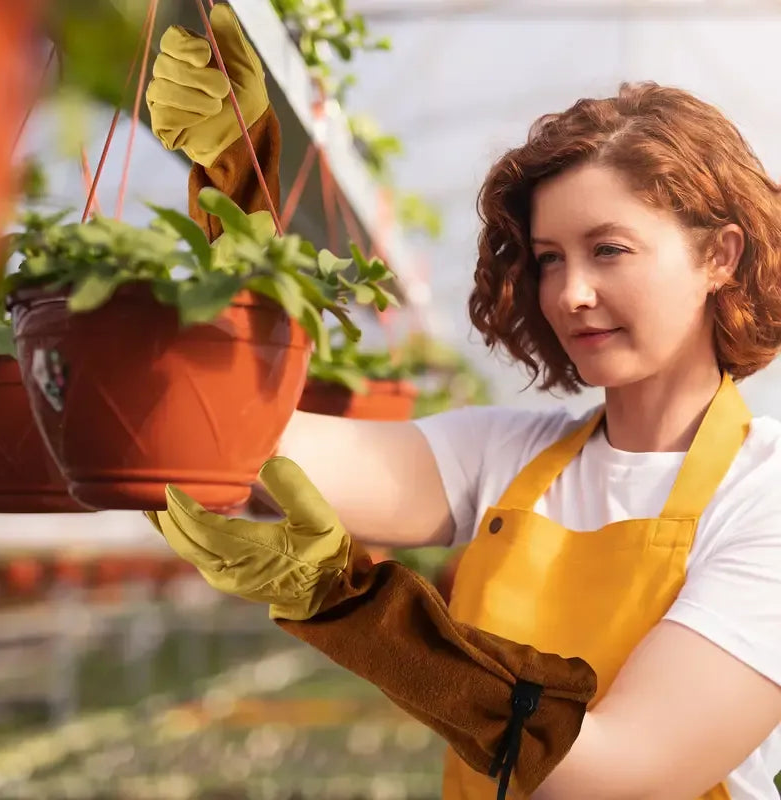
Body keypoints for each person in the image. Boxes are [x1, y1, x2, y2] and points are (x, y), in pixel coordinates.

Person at [147, 7, 781, 799]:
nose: (571, 293)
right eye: (549, 259)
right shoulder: (506, 456)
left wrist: (359, 616)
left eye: (609, 249)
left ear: (719, 255)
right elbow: (245, 446)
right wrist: (235, 198)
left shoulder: (764, 495)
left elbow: (614, 775)